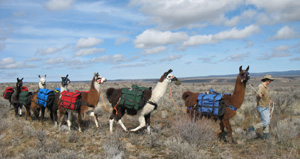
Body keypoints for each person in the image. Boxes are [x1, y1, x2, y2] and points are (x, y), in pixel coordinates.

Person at [249, 74, 274, 139]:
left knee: (267, 121)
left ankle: (266, 136)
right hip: (262, 107)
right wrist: (259, 95)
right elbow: (258, 94)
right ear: (267, 80)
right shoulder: (261, 86)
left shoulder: (265, 87)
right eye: (270, 80)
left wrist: (269, 100)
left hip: (265, 106)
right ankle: (252, 128)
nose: (270, 82)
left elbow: (264, 96)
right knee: (266, 121)